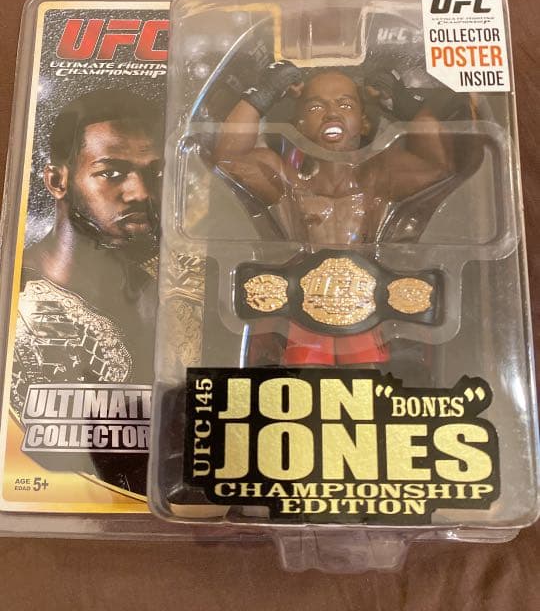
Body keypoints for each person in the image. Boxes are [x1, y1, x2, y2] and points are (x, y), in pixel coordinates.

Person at [213, 60, 478, 367]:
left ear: (363, 123)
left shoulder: (379, 178)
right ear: (298, 125)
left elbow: (438, 168)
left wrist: (405, 105)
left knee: (364, 380)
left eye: (345, 104)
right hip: (302, 303)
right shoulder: (288, 183)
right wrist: (262, 95)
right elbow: (229, 160)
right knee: (306, 378)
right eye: (316, 107)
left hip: (366, 300)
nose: (332, 113)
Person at [12, 89, 163, 493]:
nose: (141, 193)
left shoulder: (169, 292)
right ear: (57, 181)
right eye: (111, 172)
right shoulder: (16, 299)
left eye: (154, 172)